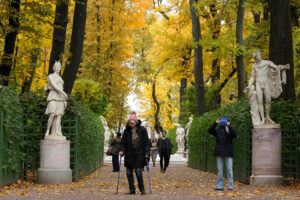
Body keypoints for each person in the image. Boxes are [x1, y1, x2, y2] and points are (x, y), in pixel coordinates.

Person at [119, 111, 150, 195]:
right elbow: (123, 143)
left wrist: (147, 153)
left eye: (132, 123)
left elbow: (147, 142)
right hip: (129, 155)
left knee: (138, 172)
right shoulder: (126, 131)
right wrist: (122, 151)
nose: (131, 125)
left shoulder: (142, 130)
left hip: (139, 155)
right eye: (130, 123)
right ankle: (132, 189)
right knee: (128, 173)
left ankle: (142, 189)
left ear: (136, 122)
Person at [208, 118, 237, 191]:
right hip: (219, 152)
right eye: (223, 121)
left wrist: (229, 126)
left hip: (228, 152)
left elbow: (235, 135)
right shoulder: (217, 130)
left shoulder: (229, 130)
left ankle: (230, 186)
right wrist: (216, 123)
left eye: (226, 121)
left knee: (229, 169)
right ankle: (219, 186)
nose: (224, 123)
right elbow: (210, 130)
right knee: (219, 170)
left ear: (228, 122)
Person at [44, 61, 68, 138]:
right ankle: (48, 131)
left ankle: (57, 132)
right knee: (52, 114)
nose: (58, 68)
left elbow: (61, 87)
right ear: (54, 68)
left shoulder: (60, 78)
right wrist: (64, 93)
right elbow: (55, 86)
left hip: (61, 98)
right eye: (56, 67)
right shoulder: (51, 76)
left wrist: (64, 100)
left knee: (59, 116)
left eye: (59, 67)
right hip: (53, 96)